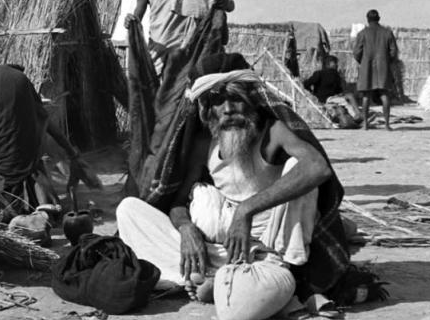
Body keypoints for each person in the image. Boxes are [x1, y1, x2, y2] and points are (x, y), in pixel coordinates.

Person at [117, 53, 335, 305]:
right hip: (218, 249)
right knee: (128, 210)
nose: (228, 109)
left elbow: (318, 168)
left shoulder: (273, 132)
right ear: (207, 110)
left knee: (301, 168)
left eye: (235, 99)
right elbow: (177, 204)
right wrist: (186, 229)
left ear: (251, 101)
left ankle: (260, 277)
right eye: (218, 101)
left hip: (266, 250)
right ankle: (218, 277)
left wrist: (246, 210)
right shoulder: (204, 144)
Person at [0, 64, 91, 211]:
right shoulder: (21, 80)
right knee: (33, 168)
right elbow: (44, 118)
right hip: (24, 154)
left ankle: (6, 206)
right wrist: (71, 152)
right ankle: (42, 207)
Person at [353, 9, 398, 130]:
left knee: (366, 95)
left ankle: (366, 125)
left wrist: (362, 62)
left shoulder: (362, 34)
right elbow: (393, 52)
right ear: (379, 18)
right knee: (384, 95)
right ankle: (387, 125)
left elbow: (356, 52)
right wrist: (387, 62)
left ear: (367, 19)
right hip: (383, 67)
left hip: (367, 67)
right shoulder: (387, 33)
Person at [302, 55, 362, 126]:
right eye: (335, 63)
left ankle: (358, 114)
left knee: (349, 96)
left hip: (332, 98)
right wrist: (312, 94)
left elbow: (306, 84)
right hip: (325, 99)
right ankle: (356, 115)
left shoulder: (334, 75)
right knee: (347, 99)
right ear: (328, 64)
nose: (337, 65)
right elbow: (306, 84)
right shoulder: (320, 74)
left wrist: (311, 92)